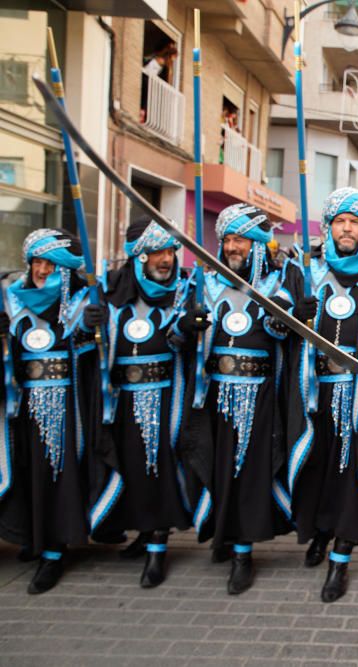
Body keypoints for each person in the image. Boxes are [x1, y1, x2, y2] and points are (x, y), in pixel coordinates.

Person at [177, 203, 305, 595]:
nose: (233, 246)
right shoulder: (203, 281)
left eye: (241, 240)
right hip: (213, 395)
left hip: (259, 395)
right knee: (216, 467)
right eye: (228, 239)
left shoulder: (279, 281)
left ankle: (243, 553)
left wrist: (287, 317)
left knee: (250, 473)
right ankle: (222, 536)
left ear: (256, 244)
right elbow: (177, 337)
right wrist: (186, 327)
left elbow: (283, 331)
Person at [285, 187, 358, 602]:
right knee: (317, 466)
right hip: (314, 392)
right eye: (340, 222)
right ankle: (318, 533)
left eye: (355, 222)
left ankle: (341, 557)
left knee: (351, 472)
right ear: (327, 228)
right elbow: (278, 318)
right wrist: (295, 313)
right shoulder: (304, 268)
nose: (347, 229)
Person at [88, 219, 197, 588]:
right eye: (156, 252)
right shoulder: (109, 291)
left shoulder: (184, 291)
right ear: (138, 256)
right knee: (129, 466)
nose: (164, 260)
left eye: (169, 251)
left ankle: (157, 546)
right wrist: (90, 326)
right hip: (120, 400)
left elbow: (187, 340)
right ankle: (139, 532)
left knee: (159, 468)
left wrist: (187, 330)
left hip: (166, 397)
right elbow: (91, 344)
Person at [0, 229, 102, 594]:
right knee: (26, 472)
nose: (42, 270)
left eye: (50, 264)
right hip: (20, 407)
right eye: (37, 263)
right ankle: (33, 537)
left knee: (57, 473)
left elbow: (99, 362)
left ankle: (55, 550)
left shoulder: (80, 303)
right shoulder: (10, 301)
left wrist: (95, 333)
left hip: (66, 408)